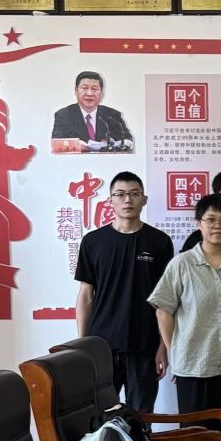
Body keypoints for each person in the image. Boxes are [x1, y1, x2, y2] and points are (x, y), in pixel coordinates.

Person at [148, 194, 221, 441]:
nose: (217, 226)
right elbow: (163, 310)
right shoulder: (182, 264)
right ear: (199, 223)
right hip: (194, 367)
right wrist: (176, 350)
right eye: (210, 219)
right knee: (195, 440)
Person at [74, 171, 173, 412]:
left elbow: (167, 301)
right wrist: (83, 345)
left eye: (134, 194)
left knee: (141, 418)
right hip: (101, 346)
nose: (127, 200)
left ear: (144, 199)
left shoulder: (159, 242)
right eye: (120, 194)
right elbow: (86, 295)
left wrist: (163, 347)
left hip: (144, 346)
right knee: (101, 418)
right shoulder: (93, 242)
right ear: (110, 201)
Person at [51, 71, 133, 152]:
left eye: (94, 89)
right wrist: (75, 145)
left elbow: (128, 140)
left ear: (101, 93)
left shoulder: (112, 115)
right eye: (85, 88)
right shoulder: (64, 115)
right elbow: (56, 144)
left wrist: (125, 143)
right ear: (76, 91)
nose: (89, 93)